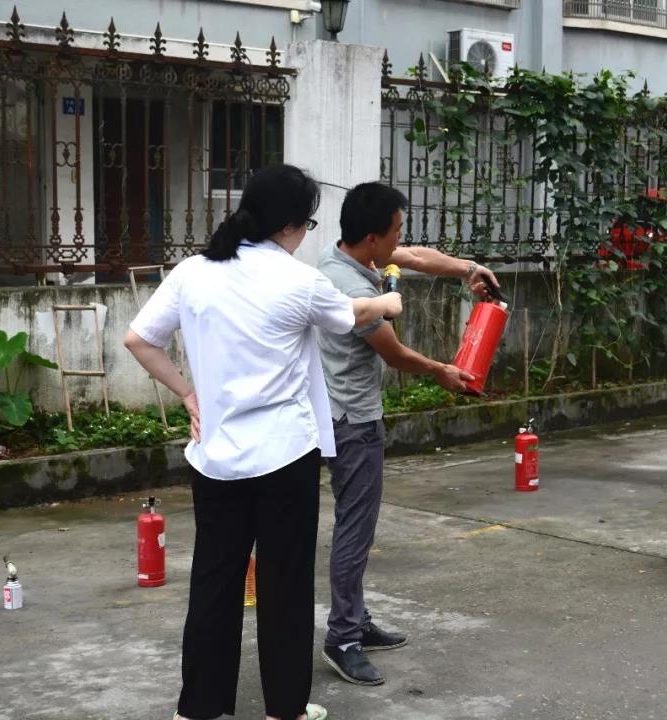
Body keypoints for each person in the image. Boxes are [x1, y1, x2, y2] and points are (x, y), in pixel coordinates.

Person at [123, 166, 402, 720]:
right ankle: (284, 709)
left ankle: (199, 709)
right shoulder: (296, 279)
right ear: (291, 225)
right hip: (284, 457)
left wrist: (187, 394)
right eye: (308, 225)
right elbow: (350, 315)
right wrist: (388, 304)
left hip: (215, 458)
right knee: (284, 586)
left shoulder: (193, 272)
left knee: (214, 583)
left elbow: (139, 339)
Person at [317, 182, 500, 686]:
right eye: (395, 231)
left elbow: (416, 256)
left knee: (358, 525)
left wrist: (469, 268)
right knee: (355, 528)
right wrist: (443, 370)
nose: (401, 239)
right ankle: (343, 639)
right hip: (351, 421)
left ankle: (355, 620)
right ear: (372, 238)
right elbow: (394, 354)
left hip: (342, 413)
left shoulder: (347, 255)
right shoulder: (351, 291)